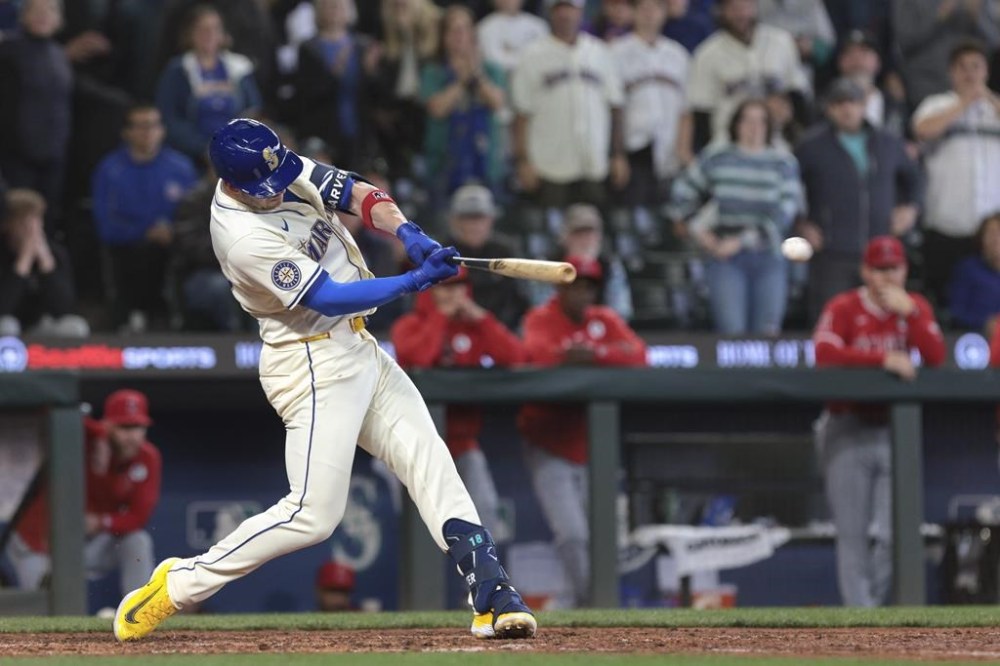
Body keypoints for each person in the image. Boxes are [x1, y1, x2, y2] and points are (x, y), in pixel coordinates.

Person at [112, 118, 535, 642]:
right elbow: (327, 297)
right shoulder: (241, 237)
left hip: (359, 348)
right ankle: (180, 584)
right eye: (262, 188)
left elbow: (356, 191)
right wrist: (412, 280)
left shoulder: (274, 163)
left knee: (431, 459)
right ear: (231, 183)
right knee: (313, 515)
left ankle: (492, 592)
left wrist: (406, 231)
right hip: (310, 362)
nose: (277, 190)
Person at [812, 236, 945, 607]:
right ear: (865, 271)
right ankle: (860, 619)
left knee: (893, 534)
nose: (887, 277)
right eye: (879, 269)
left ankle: (876, 615)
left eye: (893, 268)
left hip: (894, 431)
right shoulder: (844, 306)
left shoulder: (914, 307)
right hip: (847, 426)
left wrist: (913, 315)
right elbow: (824, 353)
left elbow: (935, 355)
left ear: (904, 269)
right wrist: (881, 361)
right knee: (852, 535)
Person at [518, 255, 646, 607]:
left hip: (594, 445)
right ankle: (595, 604)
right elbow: (538, 354)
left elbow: (638, 354)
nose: (582, 293)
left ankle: (588, 604)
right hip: (549, 441)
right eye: (574, 285)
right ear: (560, 287)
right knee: (573, 535)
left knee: (605, 536)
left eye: (588, 285)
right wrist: (584, 354)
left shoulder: (604, 319)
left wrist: (590, 353)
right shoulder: (541, 318)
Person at [391, 267, 524, 539]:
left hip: (462, 445)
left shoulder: (474, 328)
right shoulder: (409, 326)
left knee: (485, 520)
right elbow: (420, 358)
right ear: (429, 289)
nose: (453, 293)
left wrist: (483, 319)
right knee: (417, 532)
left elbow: (516, 357)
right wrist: (441, 318)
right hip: (414, 445)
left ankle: (481, 583)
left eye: (459, 285)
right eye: (444, 286)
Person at [6, 390, 161, 596]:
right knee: (47, 607)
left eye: (138, 427)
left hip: (85, 544)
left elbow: (138, 517)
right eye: (124, 427)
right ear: (108, 425)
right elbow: (51, 406)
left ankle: (139, 610)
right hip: (36, 541)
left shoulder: (147, 457)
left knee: (137, 540)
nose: (132, 436)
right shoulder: (86, 435)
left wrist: (100, 522)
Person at [669, 98, 803, 335]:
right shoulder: (717, 158)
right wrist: (700, 233)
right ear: (736, 124)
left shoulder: (783, 163)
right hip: (725, 259)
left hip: (768, 256)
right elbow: (681, 193)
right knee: (731, 333)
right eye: (747, 120)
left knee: (767, 335)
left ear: (769, 127)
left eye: (761, 121)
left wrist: (742, 241)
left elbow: (785, 214)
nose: (754, 127)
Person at [794, 77, 920, 323]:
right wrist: (800, 224)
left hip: (881, 253)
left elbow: (916, 178)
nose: (846, 108)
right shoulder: (811, 146)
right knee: (831, 320)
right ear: (829, 108)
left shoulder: (888, 142)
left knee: (883, 322)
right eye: (839, 103)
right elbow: (788, 188)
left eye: (852, 101)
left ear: (864, 106)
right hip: (832, 252)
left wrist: (912, 209)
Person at [510, 0, 628, 210]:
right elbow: (521, 114)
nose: (565, 14)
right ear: (550, 12)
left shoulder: (600, 52)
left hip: (593, 162)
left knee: (593, 231)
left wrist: (618, 155)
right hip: (549, 165)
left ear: (580, 11)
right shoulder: (531, 55)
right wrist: (523, 162)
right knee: (551, 232)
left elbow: (615, 107)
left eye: (570, 8)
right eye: (559, 8)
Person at [91, 104, 199, 332]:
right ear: (127, 132)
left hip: (176, 246)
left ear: (162, 130)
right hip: (128, 250)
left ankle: (177, 322)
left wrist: (172, 232)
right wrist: (144, 232)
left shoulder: (181, 168)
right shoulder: (110, 170)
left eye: (153, 125)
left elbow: (196, 216)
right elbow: (105, 224)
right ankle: (136, 318)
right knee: (140, 255)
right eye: (140, 126)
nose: (148, 132)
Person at [911, 40, 1000, 308]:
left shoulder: (995, 108)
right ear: (951, 73)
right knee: (944, 301)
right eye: (962, 67)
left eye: (976, 66)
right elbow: (923, 130)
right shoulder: (937, 103)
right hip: (946, 225)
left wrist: (988, 100)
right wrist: (963, 103)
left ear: (986, 71)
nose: (969, 73)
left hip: (992, 233)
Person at [683, 0, 809, 155]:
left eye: (746, 6)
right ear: (721, 11)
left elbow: (798, 96)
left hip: (777, 145)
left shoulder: (781, 41)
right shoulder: (707, 53)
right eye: (734, 8)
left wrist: (787, 110)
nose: (742, 14)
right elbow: (701, 113)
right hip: (726, 145)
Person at [155, 5, 263, 163]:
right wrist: (202, 148)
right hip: (190, 154)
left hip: (237, 151)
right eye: (202, 29)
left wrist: (237, 145)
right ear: (190, 34)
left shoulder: (239, 67)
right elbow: (168, 116)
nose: (209, 35)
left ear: (223, 34)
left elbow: (253, 110)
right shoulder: (178, 70)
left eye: (214, 29)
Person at [420, 5, 507, 199]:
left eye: (465, 29)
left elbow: (496, 102)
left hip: (485, 164)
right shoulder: (433, 72)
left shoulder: (492, 70)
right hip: (444, 165)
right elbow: (437, 109)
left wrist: (475, 74)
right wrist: (461, 81)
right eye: (454, 29)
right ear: (444, 36)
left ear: (473, 34)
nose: (460, 35)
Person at [610, 0, 689, 210]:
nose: (649, 14)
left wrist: (684, 150)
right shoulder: (615, 52)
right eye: (643, 8)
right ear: (633, 12)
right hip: (633, 148)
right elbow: (612, 109)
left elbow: (685, 110)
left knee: (668, 215)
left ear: (664, 13)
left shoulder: (678, 55)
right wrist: (616, 155)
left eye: (656, 8)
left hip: (668, 150)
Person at [0, 0, 72, 221]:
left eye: (49, 10)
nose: (42, 15)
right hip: (17, 156)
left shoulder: (59, 54)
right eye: (35, 10)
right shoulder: (8, 51)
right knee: (16, 223)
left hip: (54, 154)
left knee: (48, 220)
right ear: (23, 16)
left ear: (59, 20)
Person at [294, 0, 379, 168]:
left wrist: (372, 72)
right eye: (329, 5)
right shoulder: (309, 48)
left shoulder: (363, 46)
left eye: (339, 5)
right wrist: (336, 71)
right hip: (323, 130)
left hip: (359, 131)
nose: (334, 9)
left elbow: (374, 93)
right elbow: (307, 93)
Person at [0, 188, 88, 337]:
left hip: (40, 325)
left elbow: (65, 308)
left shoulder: (54, 253)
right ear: (8, 224)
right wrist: (24, 261)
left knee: (75, 326)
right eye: (24, 222)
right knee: (6, 325)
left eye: (36, 220)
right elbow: (3, 307)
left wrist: (46, 263)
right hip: (9, 323)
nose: (31, 230)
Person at [442, 184, 530, 330]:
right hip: (455, 330)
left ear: (491, 219)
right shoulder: (442, 252)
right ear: (454, 221)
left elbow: (521, 299)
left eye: (479, 218)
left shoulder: (505, 251)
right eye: (467, 218)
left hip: (501, 329)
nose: (474, 226)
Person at [893, 0, 999, 108]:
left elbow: (995, 44)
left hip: (969, 83)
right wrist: (940, 13)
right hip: (926, 83)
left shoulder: (979, 3)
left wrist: (976, 16)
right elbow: (905, 43)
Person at [947, 212, 1000, 336]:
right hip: (975, 340)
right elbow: (954, 312)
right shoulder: (967, 269)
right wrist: (984, 323)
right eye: (991, 234)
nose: (996, 240)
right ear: (981, 238)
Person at [476, 0, 548, 76]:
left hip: (536, 75)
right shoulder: (485, 27)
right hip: (503, 79)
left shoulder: (539, 25)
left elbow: (543, 56)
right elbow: (493, 60)